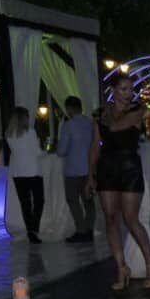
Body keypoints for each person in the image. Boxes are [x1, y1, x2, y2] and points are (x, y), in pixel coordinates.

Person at [88, 73, 150, 290]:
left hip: (129, 167)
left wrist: (146, 114)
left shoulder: (138, 110)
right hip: (107, 167)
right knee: (110, 218)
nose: (129, 94)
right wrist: (90, 175)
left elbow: (117, 127)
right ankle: (121, 267)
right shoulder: (100, 114)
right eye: (123, 89)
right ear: (113, 90)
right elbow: (94, 146)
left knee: (131, 218)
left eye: (130, 89)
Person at [56, 96, 95, 242]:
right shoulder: (90, 123)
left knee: (73, 201)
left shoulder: (68, 126)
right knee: (88, 201)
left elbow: (61, 151)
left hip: (73, 170)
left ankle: (81, 230)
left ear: (69, 108)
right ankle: (89, 229)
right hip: (89, 169)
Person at [5, 107, 44, 243]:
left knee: (25, 204)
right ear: (24, 118)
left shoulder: (9, 134)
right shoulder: (30, 133)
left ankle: (30, 230)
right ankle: (34, 229)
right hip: (33, 171)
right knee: (39, 201)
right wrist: (46, 153)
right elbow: (37, 152)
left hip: (18, 173)